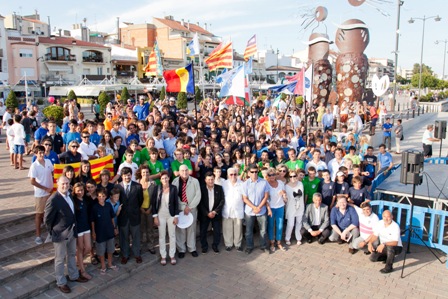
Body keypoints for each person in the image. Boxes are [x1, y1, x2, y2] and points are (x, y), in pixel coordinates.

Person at [44, 176, 88, 294]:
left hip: (72, 231)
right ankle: (61, 282)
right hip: (60, 234)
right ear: (57, 184)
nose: (65, 186)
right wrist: (53, 232)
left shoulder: (69, 195)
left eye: (67, 183)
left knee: (72, 254)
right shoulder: (53, 199)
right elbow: (47, 219)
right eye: (63, 184)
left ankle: (73, 275)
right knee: (59, 259)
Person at [172, 164, 201, 258]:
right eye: (182, 171)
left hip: (192, 209)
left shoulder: (195, 181)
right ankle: (181, 249)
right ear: (179, 172)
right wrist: (183, 206)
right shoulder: (175, 182)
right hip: (180, 209)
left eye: (186, 170)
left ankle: (192, 248)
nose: (184, 172)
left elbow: (198, 195)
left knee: (191, 229)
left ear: (188, 171)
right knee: (180, 229)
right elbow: (174, 197)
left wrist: (190, 207)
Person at [116, 167, 144, 265]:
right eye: (125, 175)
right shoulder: (118, 187)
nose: (127, 177)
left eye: (129, 175)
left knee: (136, 236)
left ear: (131, 175)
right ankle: (125, 255)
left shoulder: (138, 186)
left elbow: (140, 200)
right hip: (123, 217)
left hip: (134, 216)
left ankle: (137, 254)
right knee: (124, 237)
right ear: (122, 176)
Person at [151, 171, 179, 265]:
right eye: (162, 178)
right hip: (160, 215)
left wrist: (176, 216)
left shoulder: (173, 188)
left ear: (169, 178)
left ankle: (172, 255)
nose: (165, 180)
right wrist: (155, 216)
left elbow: (176, 203)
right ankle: (163, 255)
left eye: (166, 178)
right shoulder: (157, 188)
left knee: (172, 235)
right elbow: (153, 203)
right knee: (162, 236)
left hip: (171, 215)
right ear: (160, 180)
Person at [29, 145, 54, 244]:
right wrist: (45, 188)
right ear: (36, 154)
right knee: (39, 214)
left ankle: (50, 232)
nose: (42, 154)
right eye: (40, 153)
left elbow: (53, 172)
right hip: (40, 194)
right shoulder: (34, 166)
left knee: (50, 213)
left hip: (50, 192)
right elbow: (32, 181)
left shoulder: (48, 162)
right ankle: (38, 235)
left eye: (43, 152)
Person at [242, 164, 269, 254]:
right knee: (248, 231)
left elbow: (266, 197)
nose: (254, 174)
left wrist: (259, 207)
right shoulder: (245, 184)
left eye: (256, 172)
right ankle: (249, 246)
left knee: (263, 230)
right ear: (248, 173)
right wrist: (254, 207)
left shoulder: (264, 182)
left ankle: (263, 246)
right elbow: (245, 198)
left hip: (262, 210)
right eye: (252, 172)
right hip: (249, 211)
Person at [91, 188, 119, 275]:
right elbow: (92, 221)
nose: (101, 198)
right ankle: (103, 265)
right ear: (97, 197)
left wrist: (114, 228)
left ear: (106, 197)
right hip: (100, 232)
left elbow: (112, 217)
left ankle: (110, 264)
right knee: (101, 250)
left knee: (110, 249)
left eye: (103, 196)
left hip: (109, 231)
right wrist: (93, 232)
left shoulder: (108, 205)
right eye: (99, 196)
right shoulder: (95, 207)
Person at [199, 172, 225, 254]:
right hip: (205, 214)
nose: (210, 181)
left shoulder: (219, 188)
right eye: (209, 180)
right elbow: (200, 202)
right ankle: (204, 246)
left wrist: (215, 211)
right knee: (203, 231)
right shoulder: (201, 189)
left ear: (214, 179)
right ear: (205, 180)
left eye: (212, 179)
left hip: (215, 214)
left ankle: (215, 245)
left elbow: (222, 201)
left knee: (217, 231)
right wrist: (207, 213)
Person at [72, 183, 92, 280]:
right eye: (78, 190)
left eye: (82, 190)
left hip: (86, 226)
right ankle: (82, 270)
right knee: (80, 249)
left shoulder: (85, 200)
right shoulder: (74, 201)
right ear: (75, 191)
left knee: (88, 247)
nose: (81, 192)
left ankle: (78, 260)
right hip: (79, 228)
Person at [222, 167, 245, 251]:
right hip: (227, 209)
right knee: (227, 228)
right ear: (228, 175)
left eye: (235, 174)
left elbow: (244, 197)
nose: (233, 176)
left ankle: (238, 244)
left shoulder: (242, 184)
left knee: (238, 228)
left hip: (238, 209)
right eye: (231, 174)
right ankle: (228, 244)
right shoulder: (224, 183)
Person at [137, 165, 157, 254]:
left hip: (150, 209)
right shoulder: (137, 184)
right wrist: (140, 208)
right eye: (144, 172)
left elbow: (155, 198)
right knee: (141, 229)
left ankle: (151, 246)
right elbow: (135, 198)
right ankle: (140, 246)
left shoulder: (153, 184)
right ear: (141, 174)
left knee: (150, 229)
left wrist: (151, 208)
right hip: (140, 210)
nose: (146, 174)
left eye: (147, 172)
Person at [266, 167, 287, 252]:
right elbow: (266, 199)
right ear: (267, 176)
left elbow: (285, 195)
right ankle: (271, 242)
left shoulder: (281, 183)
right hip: (271, 207)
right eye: (270, 175)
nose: (272, 176)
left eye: (273, 174)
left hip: (280, 207)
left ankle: (278, 242)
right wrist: (269, 209)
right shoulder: (266, 184)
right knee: (271, 225)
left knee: (280, 225)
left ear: (276, 175)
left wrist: (284, 194)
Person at [285, 169, 305, 246]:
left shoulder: (300, 184)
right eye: (291, 176)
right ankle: (287, 238)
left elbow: (301, 195)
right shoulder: (286, 186)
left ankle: (298, 238)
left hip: (300, 206)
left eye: (294, 176)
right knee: (291, 224)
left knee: (299, 223)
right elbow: (286, 198)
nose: (293, 178)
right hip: (291, 207)